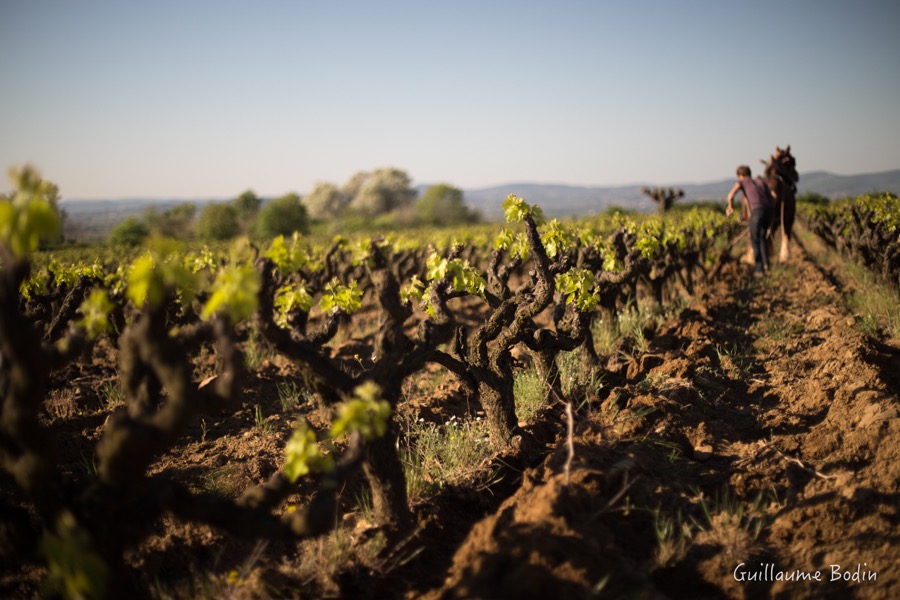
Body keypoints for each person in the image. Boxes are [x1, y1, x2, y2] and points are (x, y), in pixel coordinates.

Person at [726, 165, 774, 277]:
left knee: (755, 239)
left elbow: (730, 195)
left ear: (741, 176)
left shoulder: (742, 182)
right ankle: (767, 265)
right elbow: (772, 198)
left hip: (757, 211)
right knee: (762, 238)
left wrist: (730, 207)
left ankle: (758, 269)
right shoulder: (761, 182)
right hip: (768, 211)